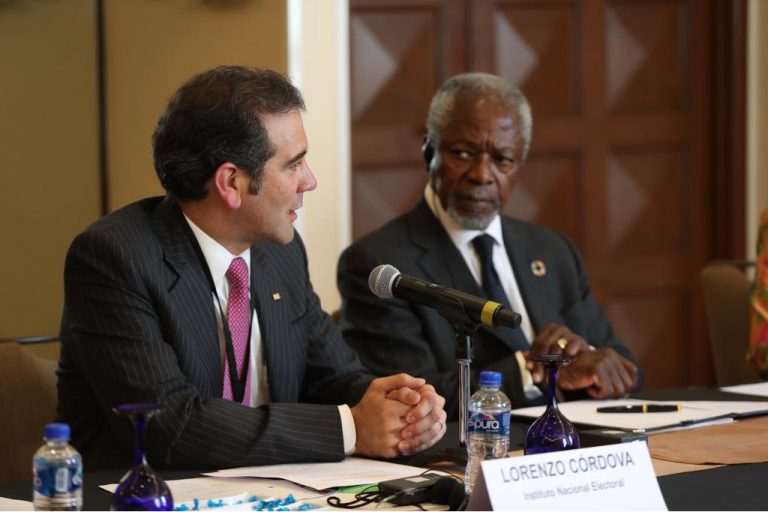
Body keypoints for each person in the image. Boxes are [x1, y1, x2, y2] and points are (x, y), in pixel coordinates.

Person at [56, 66, 446, 470]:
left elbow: (333, 378)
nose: (309, 181)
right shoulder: (115, 258)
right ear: (231, 183)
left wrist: (400, 408)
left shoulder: (280, 255)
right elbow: (168, 425)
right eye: (294, 165)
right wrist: (351, 428)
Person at [337, 72, 640, 419]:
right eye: (463, 153)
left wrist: (585, 357)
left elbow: (623, 366)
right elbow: (406, 400)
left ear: (519, 163)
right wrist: (535, 371)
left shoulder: (552, 250)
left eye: (502, 159)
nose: (482, 175)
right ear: (428, 151)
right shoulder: (379, 263)